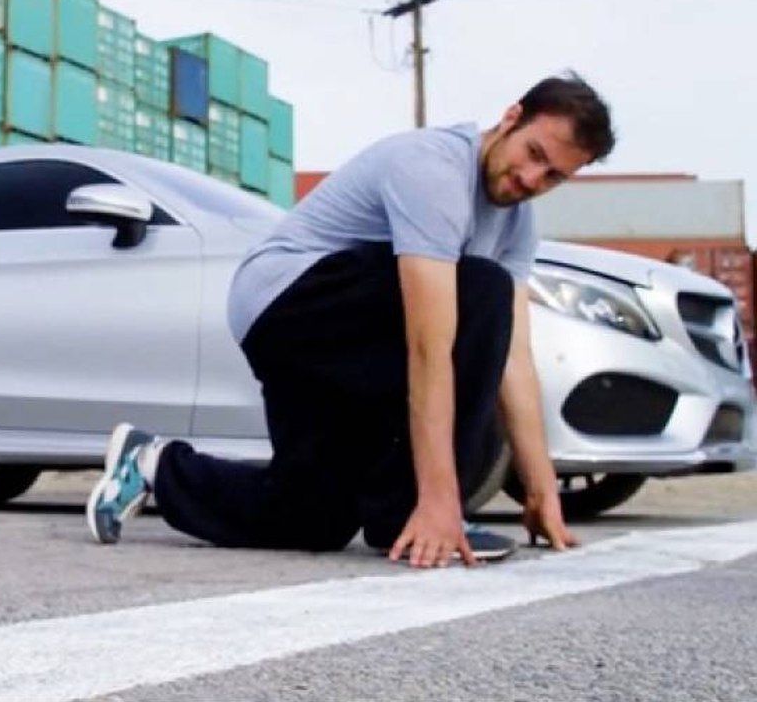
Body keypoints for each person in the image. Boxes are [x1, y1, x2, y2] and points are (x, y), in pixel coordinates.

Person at [86, 72, 615, 568]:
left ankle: (152, 463)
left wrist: (544, 491)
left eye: (553, 176)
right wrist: (437, 501)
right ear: (510, 118)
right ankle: (412, 513)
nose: (529, 178)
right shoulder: (433, 168)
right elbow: (429, 345)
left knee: (314, 516)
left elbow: (515, 361)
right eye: (533, 154)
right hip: (289, 300)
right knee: (480, 289)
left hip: (341, 341)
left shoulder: (517, 226)